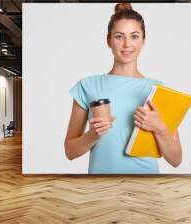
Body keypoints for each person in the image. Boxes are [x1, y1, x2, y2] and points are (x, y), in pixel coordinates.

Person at [64, 3, 182, 174]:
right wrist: (92, 136)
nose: (127, 44)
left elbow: (176, 159)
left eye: (134, 36)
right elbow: (70, 151)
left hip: (146, 187)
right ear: (108, 41)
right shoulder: (87, 85)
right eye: (119, 36)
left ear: (143, 41)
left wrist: (160, 128)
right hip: (100, 188)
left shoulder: (158, 89)